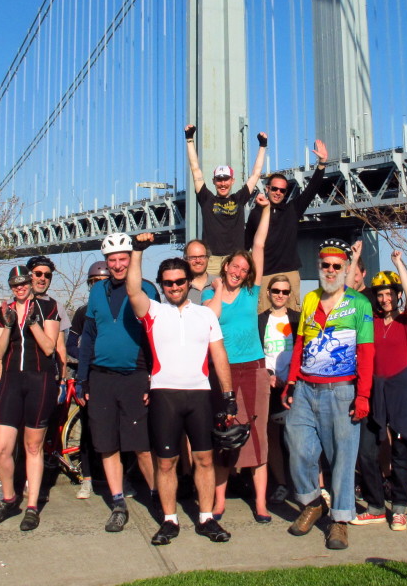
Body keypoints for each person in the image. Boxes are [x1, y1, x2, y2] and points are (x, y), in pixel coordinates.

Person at [125, 233, 236, 546]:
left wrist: (228, 397)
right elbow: (133, 288)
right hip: (164, 395)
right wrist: (137, 251)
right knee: (166, 463)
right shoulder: (153, 312)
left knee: (204, 460)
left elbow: (219, 356)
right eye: (168, 283)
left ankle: (206, 518)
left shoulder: (206, 314)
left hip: (200, 395)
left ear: (190, 281)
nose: (174, 287)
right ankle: (169, 519)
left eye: (179, 281)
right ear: (162, 285)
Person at [282, 238, 374, 551]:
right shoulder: (309, 299)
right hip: (306, 389)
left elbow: (367, 352)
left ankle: (340, 521)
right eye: (325, 265)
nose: (331, 271)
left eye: (337, 266)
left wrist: (363, 396)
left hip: (342, 391)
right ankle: (312, 502)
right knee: (299, 449)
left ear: (346, 269)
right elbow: (299, 345)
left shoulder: (359, 305)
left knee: (343, 459)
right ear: (318, 267)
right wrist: (291, 382)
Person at [76, 232, 158, 532]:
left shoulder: (146, 289)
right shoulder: (97, 293)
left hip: (135, 376)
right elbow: (88, 338)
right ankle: (118, 502)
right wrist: (81, 379)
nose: (118, 265)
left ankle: (158, 499)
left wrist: (154, 378)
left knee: (142, 446)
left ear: (132, 259)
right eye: (113, 260)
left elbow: (155, 338)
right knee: (107, 446)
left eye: (124, 258)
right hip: (101, 378)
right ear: (106, 262)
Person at [202, 194, 272, 522]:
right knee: (224, 432)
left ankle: (260, 504)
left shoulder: (251, 292)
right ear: (226, 265)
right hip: (223, 370)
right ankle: (219, 503)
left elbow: (258, 245)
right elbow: (210, 318)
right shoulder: (208, 294)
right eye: (235, 266)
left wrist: (265, 208)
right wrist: (217, 288)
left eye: (245, 270)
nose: (239, 271)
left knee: (256, 432)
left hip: (254, 367)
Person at [352, 251, 407, 532]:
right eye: (380, 295)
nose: (385, 299)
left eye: (389, 294)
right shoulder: (368, 322)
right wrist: (355, 259)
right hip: (374, 390)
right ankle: (374, 506)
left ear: (395, 295)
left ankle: (398, 508)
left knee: (399, 453)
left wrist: (398, 264)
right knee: (367, 452)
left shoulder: (406, 323)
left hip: (400, 389)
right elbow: (348, 293)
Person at [0, 266, 60, 531]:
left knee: (32, 447)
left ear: (30, 283)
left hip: (40, 380)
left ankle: (32, 505)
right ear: (11, 287)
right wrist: (6, 323)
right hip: (12, 381)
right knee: (1, 448)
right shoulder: (4, 311)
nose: (21, 288)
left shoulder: (47, 308)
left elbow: (49, 347)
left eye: (24, 283)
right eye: (15, 285)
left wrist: (34, 325)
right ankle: (8, 498)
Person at [244, 139, 328, 312]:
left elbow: (311, 190)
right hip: (263, 275)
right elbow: (245, 245)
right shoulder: (255, 214)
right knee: (263, 322)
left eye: (282, 190)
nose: (278, 193)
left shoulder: (292, 210)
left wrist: (321, 164)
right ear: (267, 189)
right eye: (274, 189)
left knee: (293, 320)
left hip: (290, 273)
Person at [184, 124, 267, 274]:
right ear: (214, 181)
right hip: (212, 261)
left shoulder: (239, 198)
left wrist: (262, 146)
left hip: (235, 259)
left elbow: (256, 174)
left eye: (226, 179)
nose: (223, 183)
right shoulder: (206, 199)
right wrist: (189, 139)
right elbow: (195, 169)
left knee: (236, 296)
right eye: (219, 180)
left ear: (232, 181)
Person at [67, 260, 108, 500]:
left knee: (116, 430)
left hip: (110, 377)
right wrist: (87, 356)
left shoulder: (118, 308)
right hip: (89, 376)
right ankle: (87, 480)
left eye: (102, 283)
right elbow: (71, 344)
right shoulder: (83, 313)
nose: (98, 287)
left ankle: (122, 480)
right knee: (87, 432)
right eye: (94, 283)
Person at [257, 274, 299, 505]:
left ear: (290, 294)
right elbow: (256, 352)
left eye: (284, 291)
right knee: (271, 436)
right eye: (276, 291)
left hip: (294, 385)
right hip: (269, 385)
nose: (280, 295)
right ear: (268, 293)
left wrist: (292, 377)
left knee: (297, 436)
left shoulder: (298, 319)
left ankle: (300, 482)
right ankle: (281, 483)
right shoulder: (260, 320)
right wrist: (269, 375)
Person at [25, 255, 73, 377]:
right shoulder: (15, 304)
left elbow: (60, 347)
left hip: (45, 374)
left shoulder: (56, 307)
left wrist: (62, 380)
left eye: (47, 275)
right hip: (18, 373)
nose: (43, 278)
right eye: (38, 274)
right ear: (29, 275)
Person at [183, 239, 214, 303]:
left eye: (202, 256)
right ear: (185, 260)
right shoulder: (179, 287)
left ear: (207, 258)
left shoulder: (221, 283)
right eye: (193, 257)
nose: (198, 261)